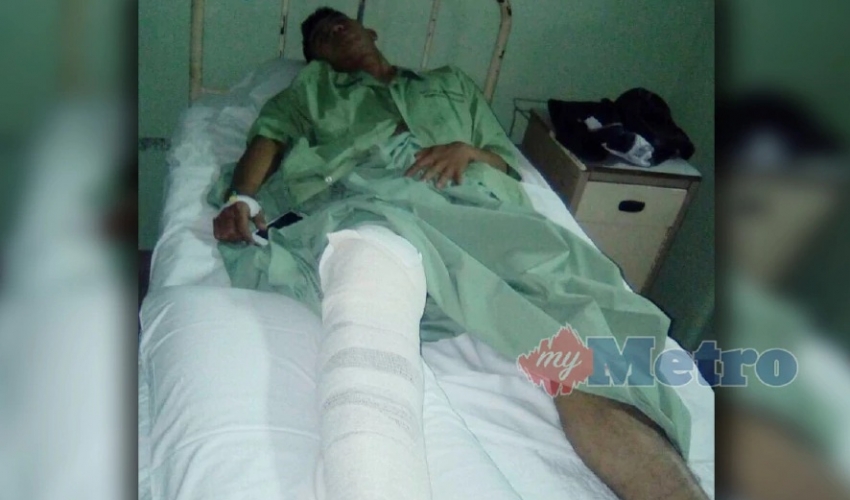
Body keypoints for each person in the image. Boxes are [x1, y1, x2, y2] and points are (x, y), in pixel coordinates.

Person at [212, 7, 707, 500]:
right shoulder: (312, 89)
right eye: (321, 35)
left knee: (580, 312)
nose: (335, 30)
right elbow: (268, 137)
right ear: (315, 58)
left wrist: (467, 152)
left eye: (341, 21)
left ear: (371, 30)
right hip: (373, 192)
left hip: (472, 199)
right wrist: (242, 198)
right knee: (377, 262)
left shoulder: (450, 83)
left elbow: (503, 161)